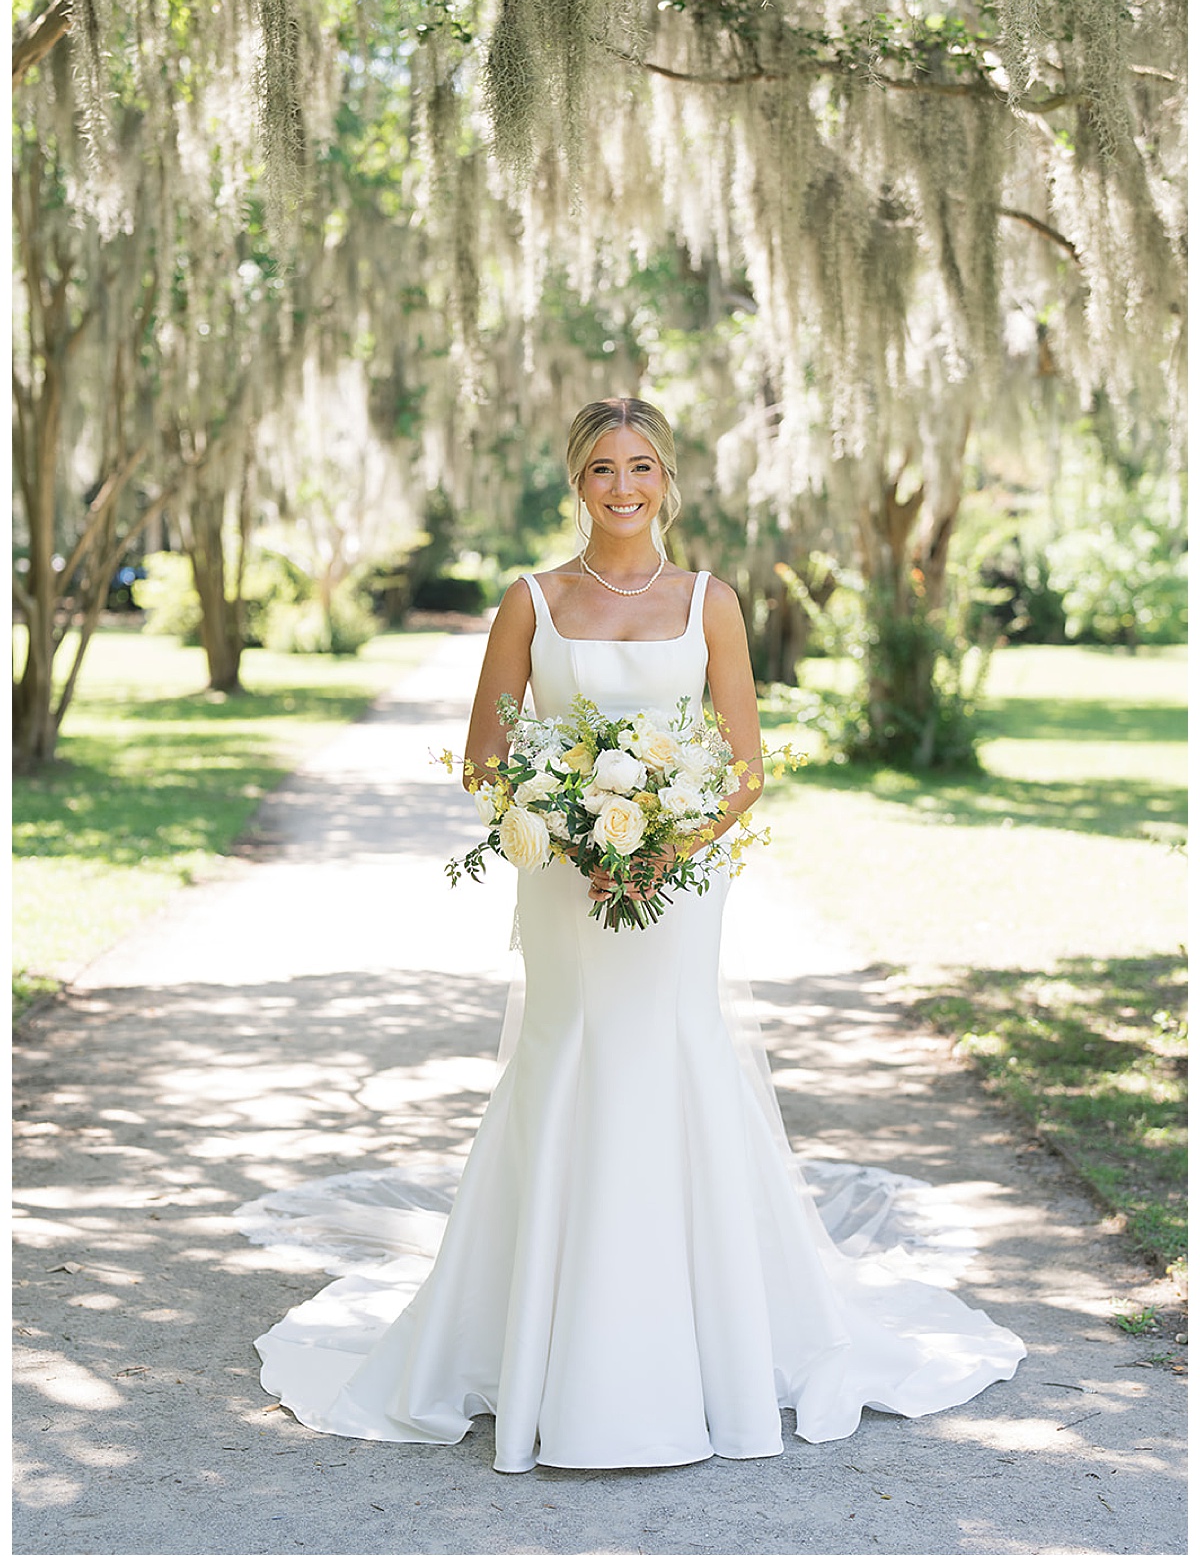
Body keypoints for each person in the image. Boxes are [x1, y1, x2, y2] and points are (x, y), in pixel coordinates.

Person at [239, 396, 1025, 1474]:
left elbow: (744, 768)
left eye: (642, 465)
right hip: (563, 882)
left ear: (667, 480)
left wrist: (666, 839)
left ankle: (697, 1347)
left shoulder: (712, 601)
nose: (623, 484)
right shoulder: (532, 600)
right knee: (568, 1062)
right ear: (578, 480)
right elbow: (484, 759)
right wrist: (565, 822)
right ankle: (540, 1341)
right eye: (604, 466)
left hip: (679, 883)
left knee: (671, 1060)